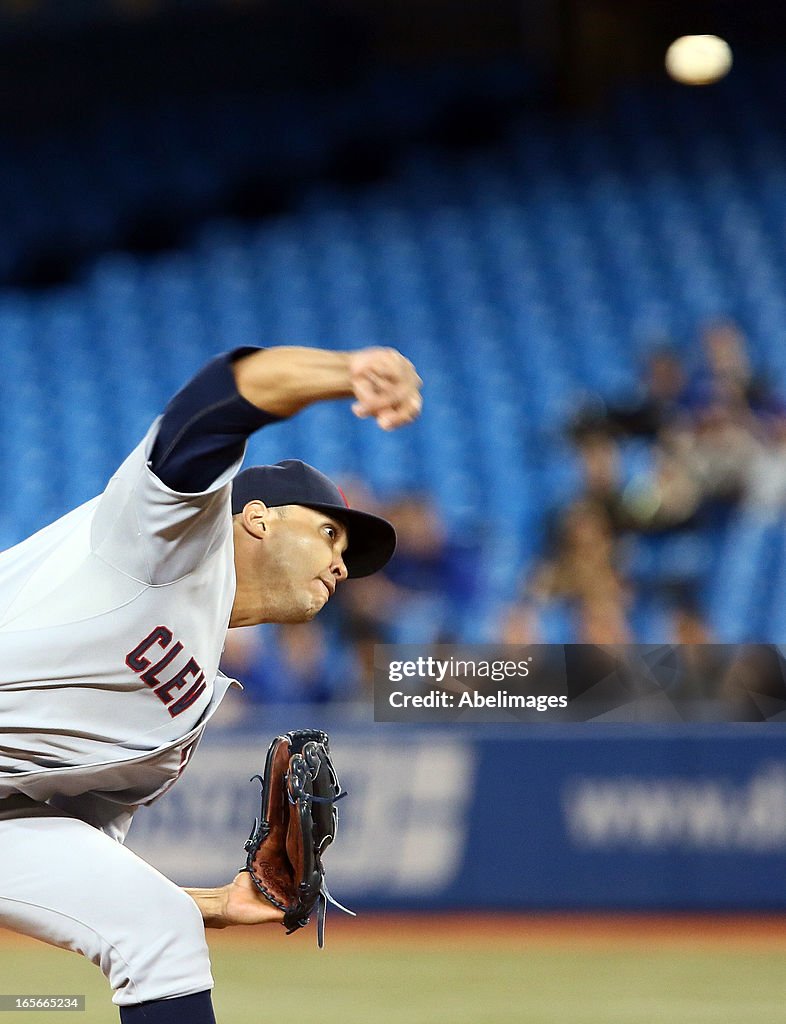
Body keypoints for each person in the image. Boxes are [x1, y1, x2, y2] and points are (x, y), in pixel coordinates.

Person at [0, 344, 422, 1023]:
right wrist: (347, 374)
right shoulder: (171, 537)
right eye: (329, 535)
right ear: (257, 518)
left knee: (160, 929)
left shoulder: (192, 704)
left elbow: (72, 846)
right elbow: (218, 402)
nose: (342, 567)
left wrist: (214, 904)